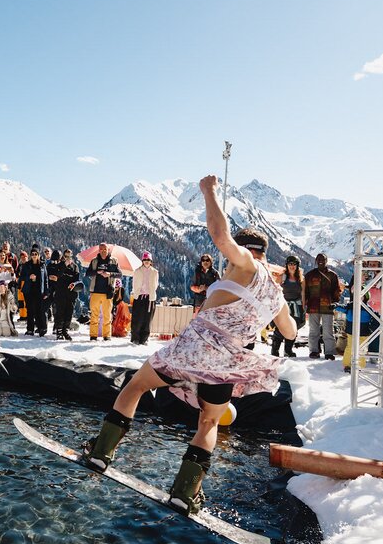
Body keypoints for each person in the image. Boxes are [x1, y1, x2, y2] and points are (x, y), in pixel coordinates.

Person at [83, 175, 296, 514]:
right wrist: (279, 302)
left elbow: (220, 235)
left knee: (136, 386)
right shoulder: (275, 294)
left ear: (246, 250)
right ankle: (186, 490)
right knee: (209, 423)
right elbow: (290, 333)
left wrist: (209, 192)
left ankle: (101, 452)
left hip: (193, 349)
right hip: (226, 365)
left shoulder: (245, 264)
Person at [304, 252, 343, 359]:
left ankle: (329, 352)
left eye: (323, 259)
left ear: (326, 261)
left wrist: (335, 302)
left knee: (328, 331)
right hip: (313, 307)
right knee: (313, 330)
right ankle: (314, 351)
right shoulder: (309, 275)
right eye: (319, 259)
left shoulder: (332, 275)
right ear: (316, 261)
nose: (321, 261)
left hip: (328, 307)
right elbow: (305, 291)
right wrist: (305, 303)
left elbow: (337, 290)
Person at [85, 243, 119, 341]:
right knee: (94, 315)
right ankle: (93, 336)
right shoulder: (94, 261)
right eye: (101, 249)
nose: (103, 251)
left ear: (108, 250)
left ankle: (106, 336)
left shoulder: (114, 261)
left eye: (105, 249)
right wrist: (97, 272)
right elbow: (88, 273)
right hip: (95, 291)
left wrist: (110, 274)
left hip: (108, 292)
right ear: (99, 250)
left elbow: (119, 274)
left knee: (107, 315)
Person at [49, 249, 82, 339]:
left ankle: (65, 330)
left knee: (69, 313)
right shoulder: (59, 265)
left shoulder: (75, 267)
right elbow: (57, 276)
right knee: (60, 313)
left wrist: (74, 284)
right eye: (66, 256)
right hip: (60, 293)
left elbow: (77, 279)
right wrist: (64, 266)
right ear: (63, 256)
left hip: (71, 293)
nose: (68, 258)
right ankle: (59, 331)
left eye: (69, 256)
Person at [278, 255, 306, 356]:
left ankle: (288, 350)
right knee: (279, 327)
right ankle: (275, 350)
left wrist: (303, 308)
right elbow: (276, 290)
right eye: (290, 264)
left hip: (296, 307)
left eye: (294, 264)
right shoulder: (282, 277)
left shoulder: (301, 279)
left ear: (297, 266)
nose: (292, 266)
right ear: (287, 265)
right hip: (283, 306)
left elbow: (303, 294)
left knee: (293, 328)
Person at [130, 251, 160, 344]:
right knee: (137, 318)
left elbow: (156, 284)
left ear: (151, 261)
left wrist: (151, 293)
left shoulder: (155, 272)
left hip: (150, 298)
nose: (146, 261)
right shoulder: (137, 271)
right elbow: (134, 283)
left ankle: (144, 339)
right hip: (139, 297)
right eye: (145, 259)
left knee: (147, 319)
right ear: (142, 261)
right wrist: (136, 292)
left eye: (148, 259)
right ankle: (135, 338)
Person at [19, 248, 47, 336]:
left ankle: (40, 328)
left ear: (38, 255)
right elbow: (21, 277)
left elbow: (45, 279)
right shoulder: (26, 265)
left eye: (36, 254)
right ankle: (30, 329)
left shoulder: (42, 265)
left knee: (39, 310)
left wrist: (46, 292)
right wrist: (29, 277)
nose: (34, 256)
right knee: (30, 310)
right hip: (28, 290)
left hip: (39, 290)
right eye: (32, 254)